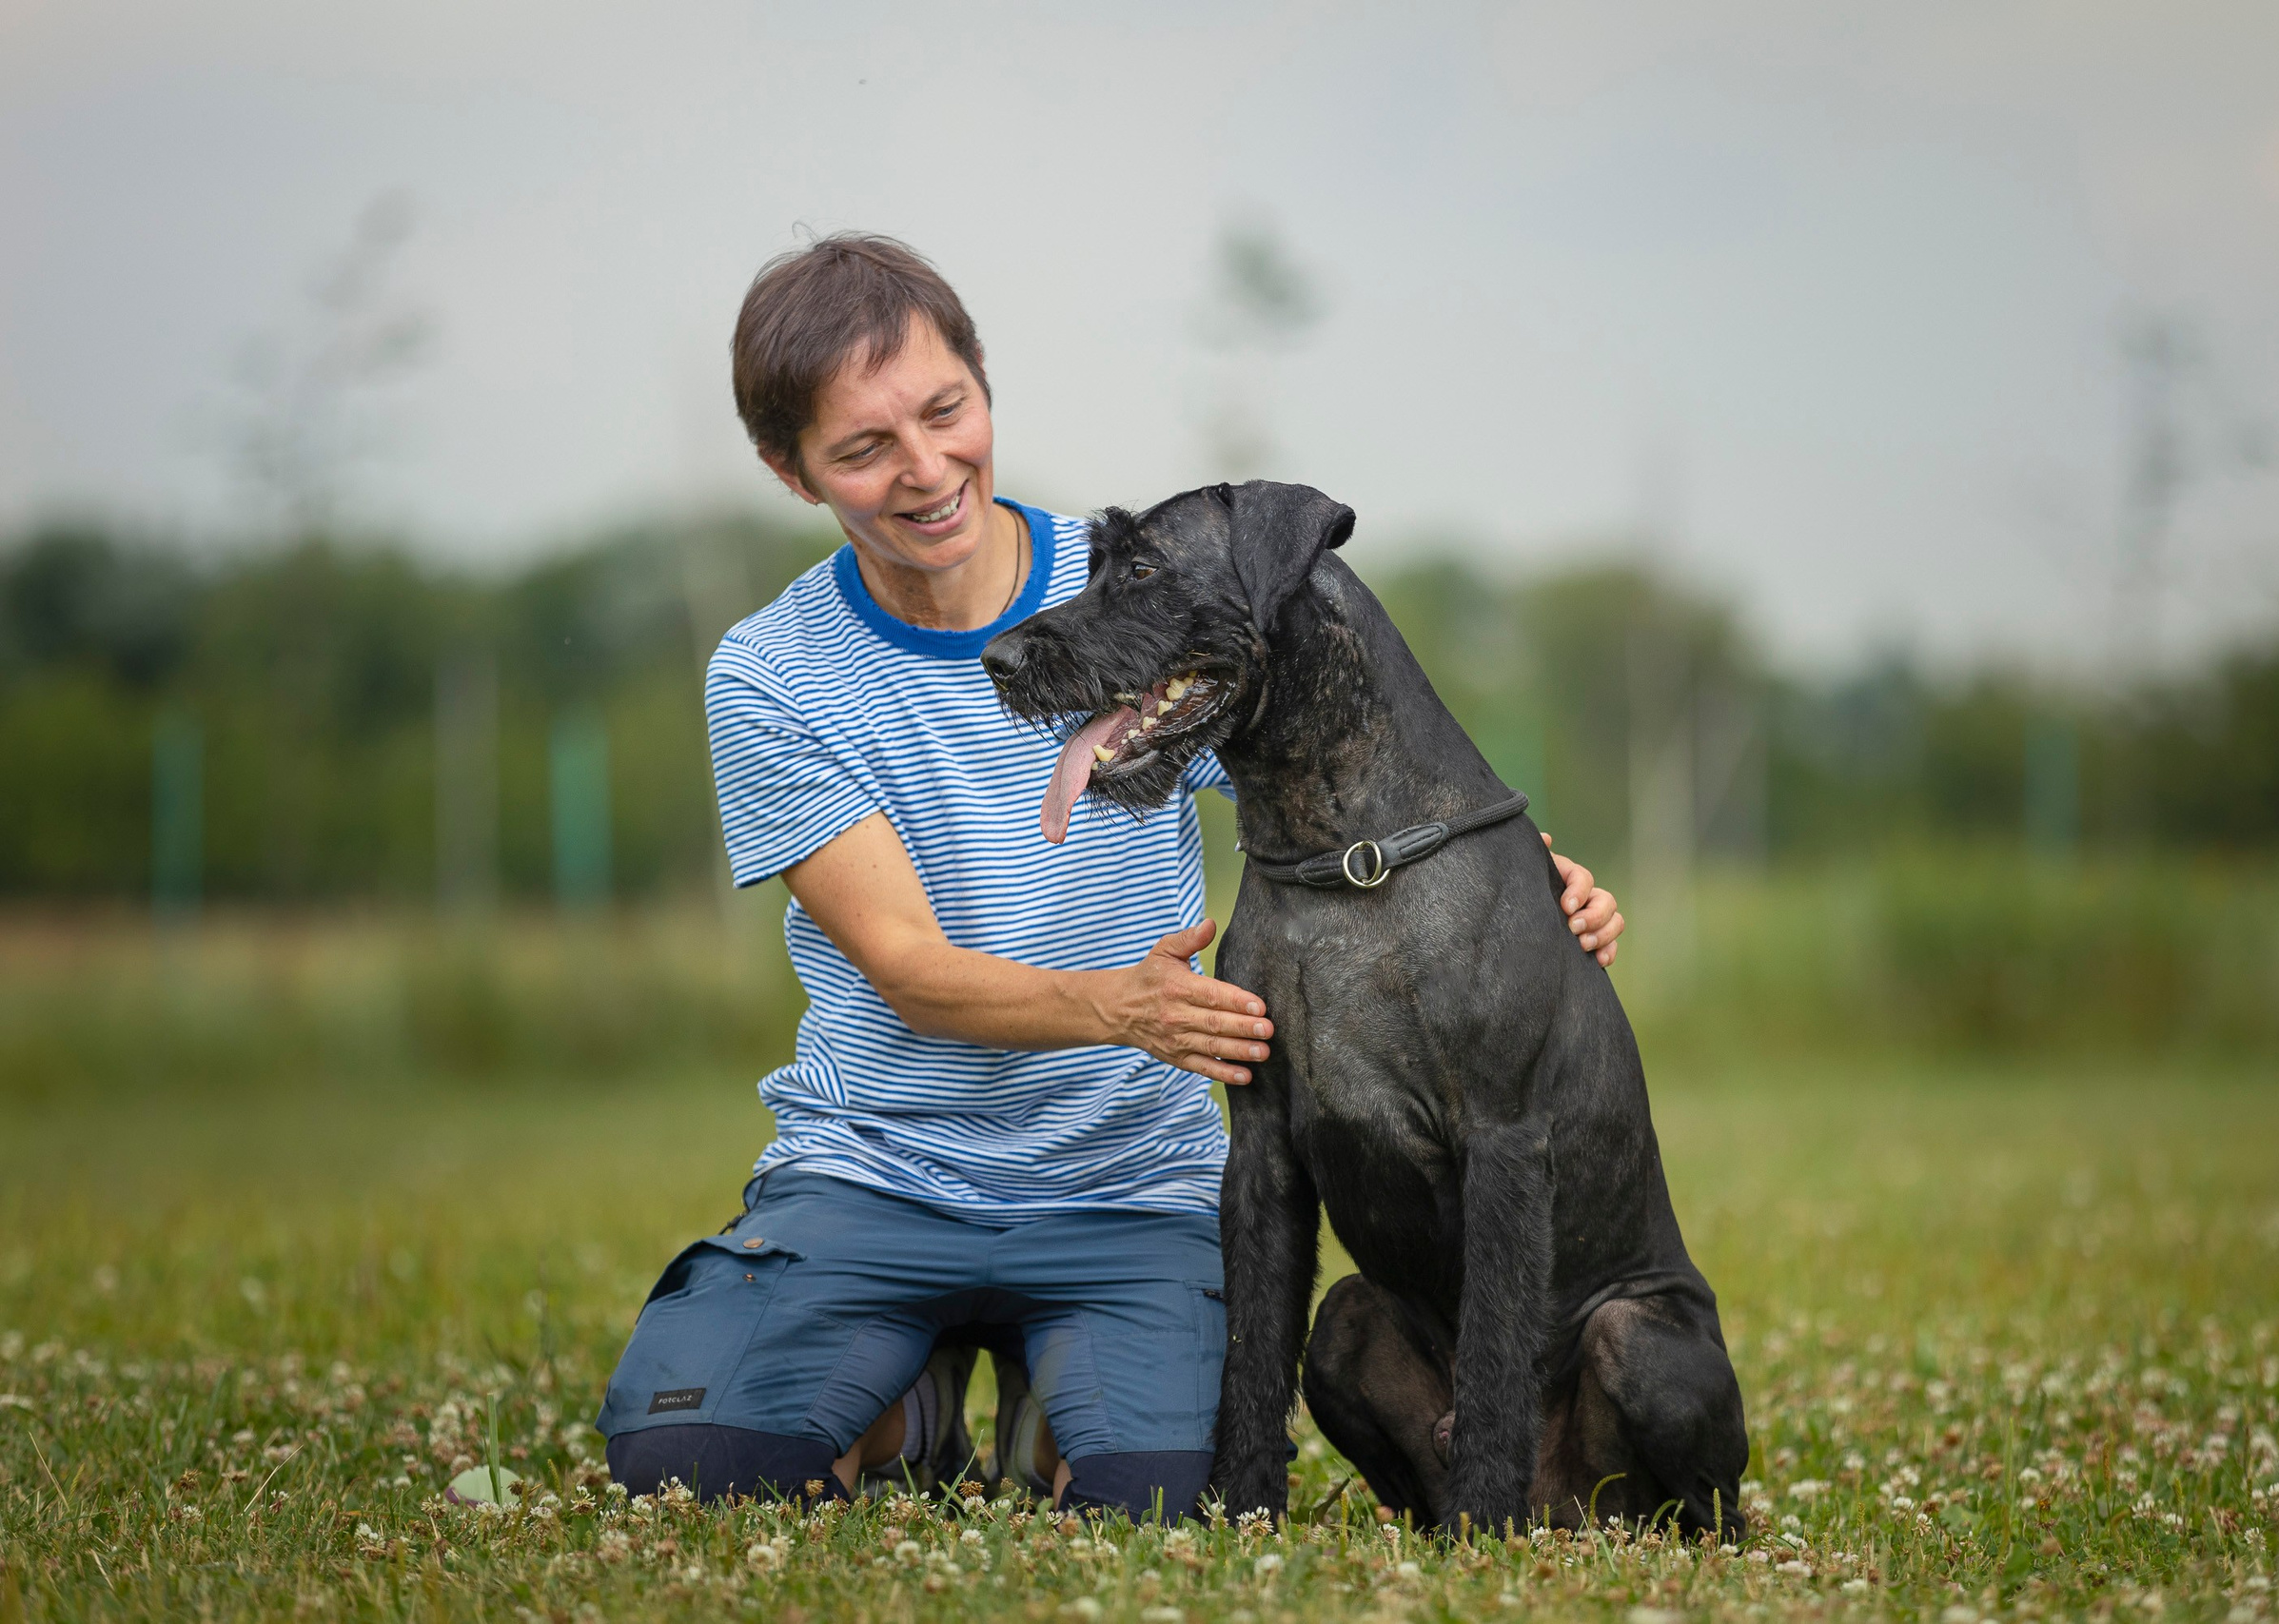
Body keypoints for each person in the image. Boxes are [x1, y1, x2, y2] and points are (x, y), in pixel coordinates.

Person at [594, 234, 1624, 1521]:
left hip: (1127, 1188)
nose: (926, 471)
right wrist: (1118, 1008)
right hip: (877, 1172)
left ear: (982, 384)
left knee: (1153, 1506)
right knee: (697, 1476)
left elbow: (1352, 766)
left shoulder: (1147, 579)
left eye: (944, 411)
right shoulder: (773, 674)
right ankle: (911, 1396)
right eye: (864, 449)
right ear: (789, 470)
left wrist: (1529, 881)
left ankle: (1041, 1386)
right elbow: (909, 971)